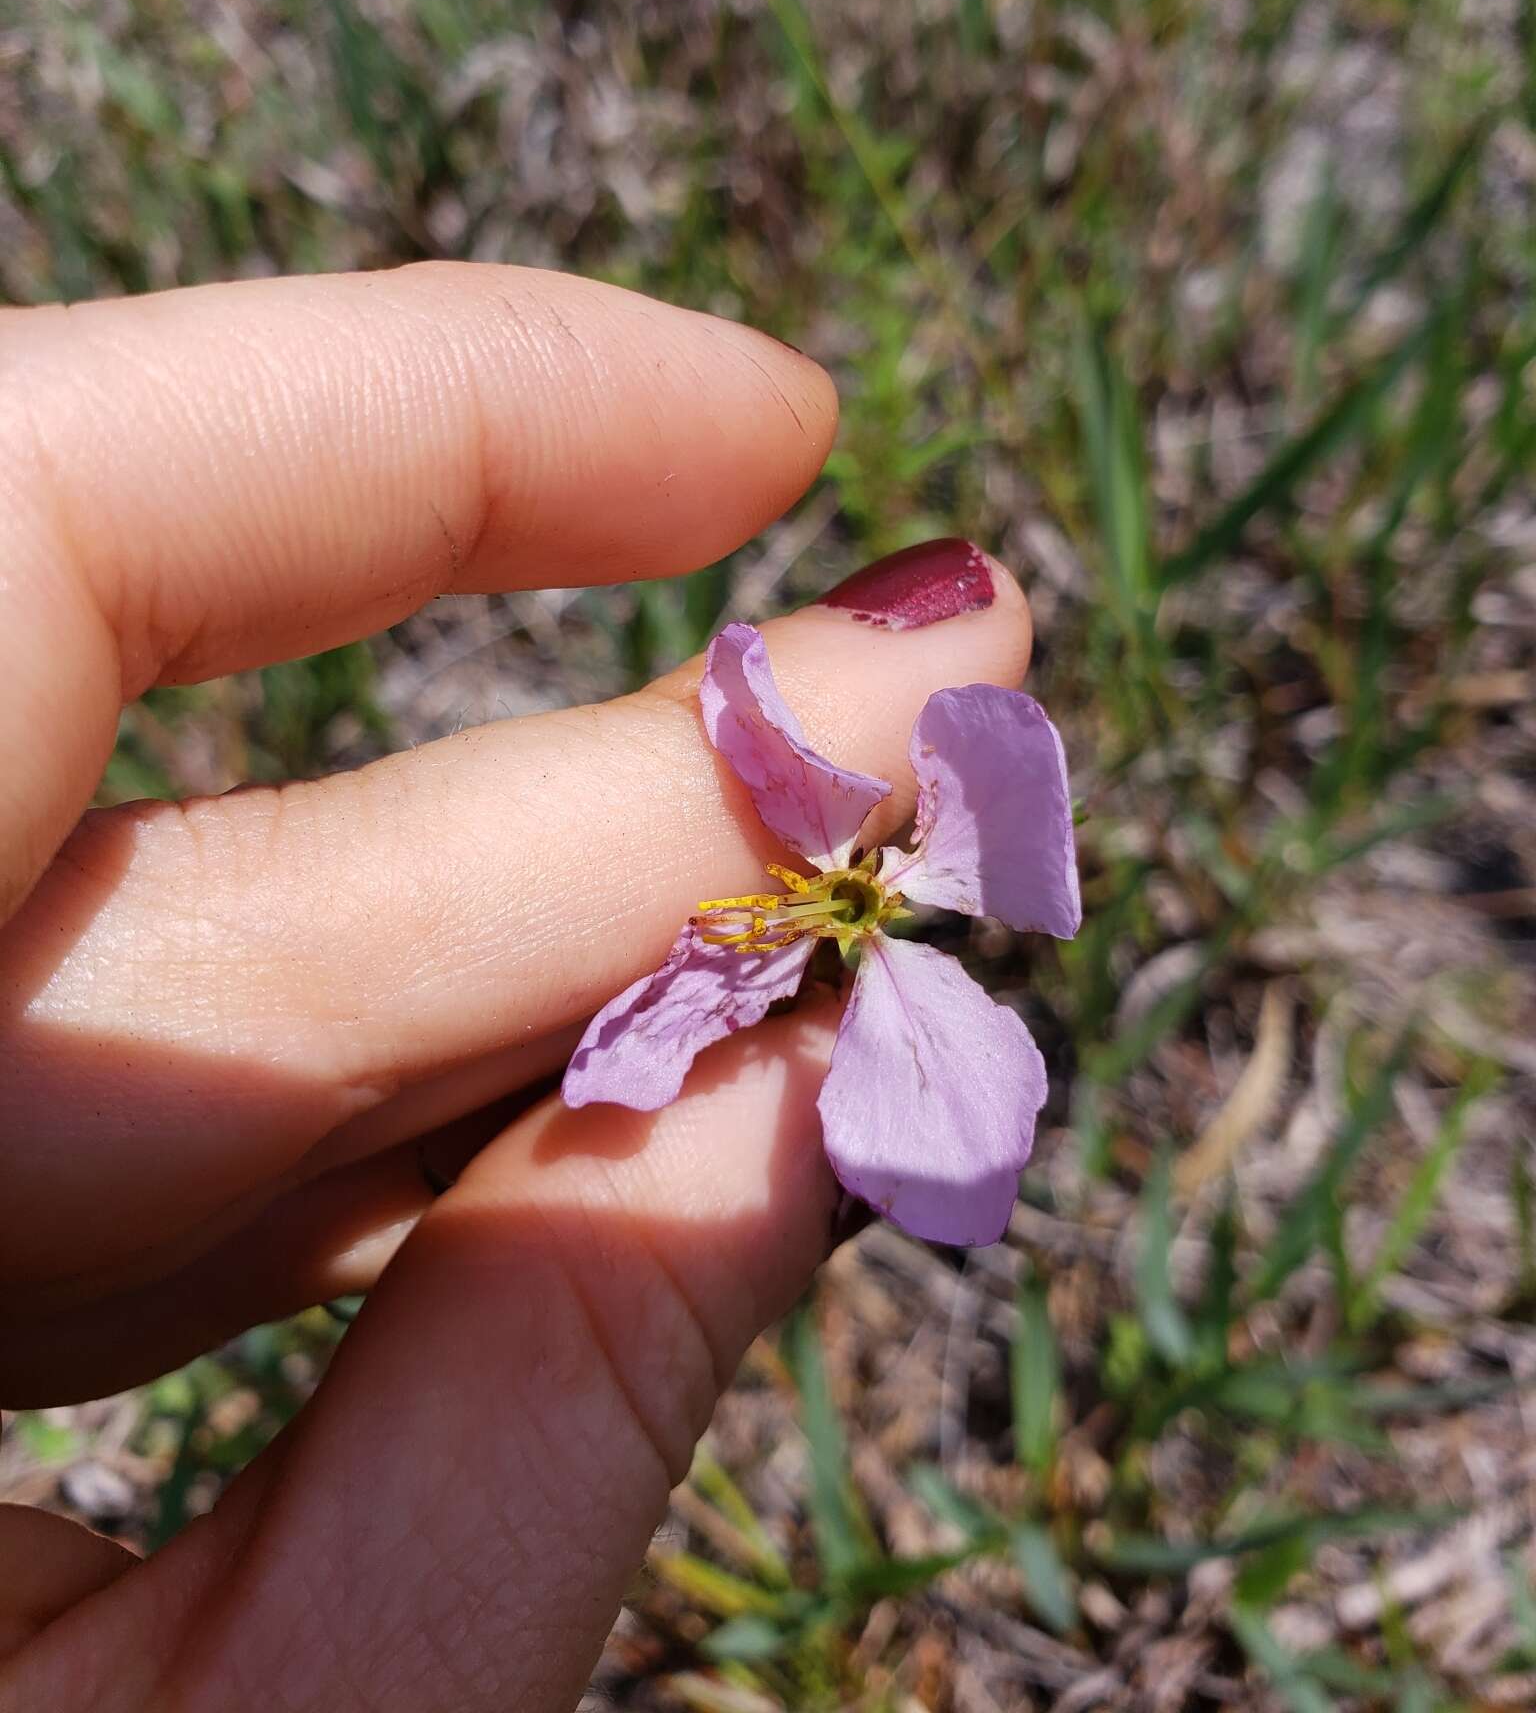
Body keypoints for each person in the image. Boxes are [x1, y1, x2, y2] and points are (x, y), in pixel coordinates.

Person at [0, 263, 1034, 1710]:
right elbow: (743, 716)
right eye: (849, 889)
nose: (846, 896)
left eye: (858, 896)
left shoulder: (897, 899)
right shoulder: (794, 896)